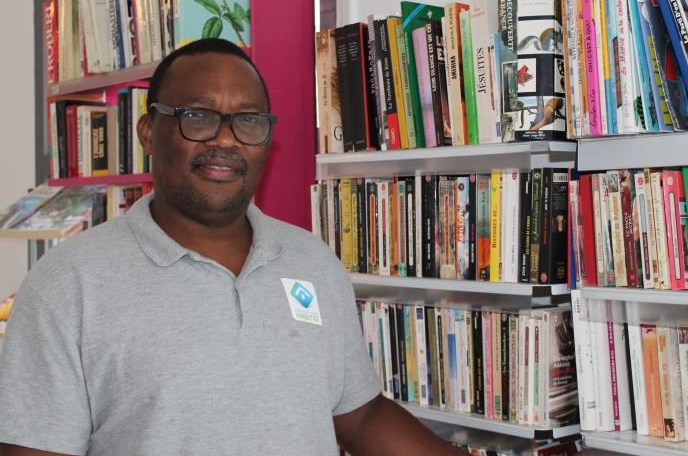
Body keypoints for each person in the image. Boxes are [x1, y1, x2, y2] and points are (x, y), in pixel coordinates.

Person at [0, 39, 465, 456]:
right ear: (148, 132)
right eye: (197, 117)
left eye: (247, 120)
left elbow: (359, 416)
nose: (225, 139)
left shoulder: (311, 261)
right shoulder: (67, 285)